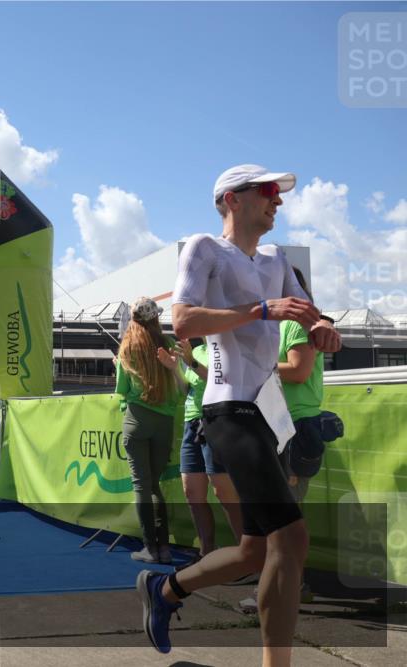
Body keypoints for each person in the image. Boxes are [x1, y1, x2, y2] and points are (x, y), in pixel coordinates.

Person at [138, 164, 341, 666]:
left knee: (255, 549)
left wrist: (324, 332)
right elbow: (182, 320)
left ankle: (165, 590)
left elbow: (313, 319)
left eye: (279, 194)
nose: (278, 201)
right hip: (226, 408)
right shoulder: (204, 248)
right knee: (291, 537)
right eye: (268, 191)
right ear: (232, 199)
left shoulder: (277, 260)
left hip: (267, 414)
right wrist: (260, 311)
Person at [239, 267, 330, 612]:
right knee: (284, 515)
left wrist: (258, 366)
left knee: (283, 516)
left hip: (292, 428)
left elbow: (299, 370)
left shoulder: (296, 322)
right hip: (284, 425)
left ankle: (281, 591)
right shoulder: (293, 322)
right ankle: (290, 586)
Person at [115, 296, 183, 564]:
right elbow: (179, 390)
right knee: (155, 486)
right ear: (156, 318)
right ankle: (163, 548)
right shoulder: (167, 345)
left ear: (133, 320)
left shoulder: (127, 348)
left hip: (136, 419)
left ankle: (149, 548)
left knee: (141, 486)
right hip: (164, 422)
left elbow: (121, 392)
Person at [178, 337, 244, 561]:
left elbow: (220, 381)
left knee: (224, 492)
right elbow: (186, 389)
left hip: (216, 421)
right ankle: (206, 553)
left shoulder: (226, 348)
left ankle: (249, 556)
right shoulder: (197, 350)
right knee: (192, 492)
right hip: (192, 422)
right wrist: (172, 368)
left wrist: (191, 362)